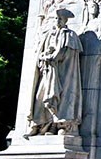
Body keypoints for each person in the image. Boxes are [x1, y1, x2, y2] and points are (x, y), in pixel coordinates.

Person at [28, 7, 83, 135]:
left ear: (65, 21)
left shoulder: (70, 35)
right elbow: (40, 53)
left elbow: (63, 54)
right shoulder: (49, 34)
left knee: (63, 98)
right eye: (56, 18)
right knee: (40, 97)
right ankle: (41, 125)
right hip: (48, 72)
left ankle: (60, 126)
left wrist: (49, 57)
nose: (57, 21)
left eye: (60, 19)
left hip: (64, 73)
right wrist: (43, 58)